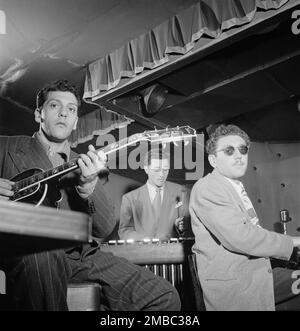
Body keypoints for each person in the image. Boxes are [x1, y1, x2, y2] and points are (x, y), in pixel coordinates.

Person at [0, 79, 181, 311]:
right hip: (27, 252)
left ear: (75, 122)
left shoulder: (93, 167)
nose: (64, 113)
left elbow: (104, 228)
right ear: (39, 114)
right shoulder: (5, 147)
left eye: (72, 109)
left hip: (81, 257)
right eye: (55, 106)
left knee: (165, 296)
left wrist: (89, 187)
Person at [189, 124, 300, 311]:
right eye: (229, 151)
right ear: (214, 160)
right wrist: (294, 242)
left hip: (257, 275)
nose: (239, 155)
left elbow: (253, 232)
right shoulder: (208, 187)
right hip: (237, 286)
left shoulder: (233, 186)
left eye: (242, 150)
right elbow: (241, 237)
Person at [118, 149, 191, 241]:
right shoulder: (129, 198)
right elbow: (124, 231)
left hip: (174, 252)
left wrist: (181, 228)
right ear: (146, 169)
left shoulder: (182, 192)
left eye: (165, 169)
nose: (162, 174)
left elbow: (192, 228)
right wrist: (145, 239)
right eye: (157, 170)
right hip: (142, 252)